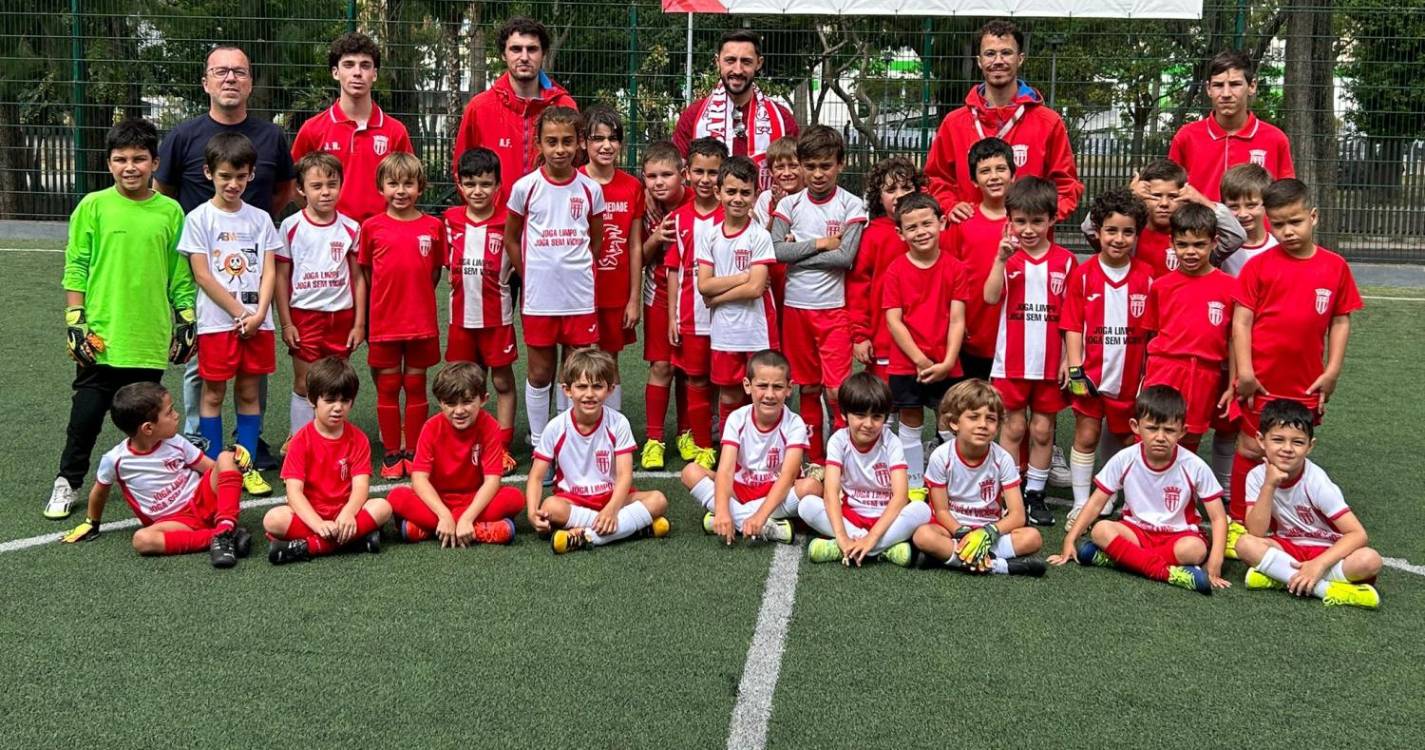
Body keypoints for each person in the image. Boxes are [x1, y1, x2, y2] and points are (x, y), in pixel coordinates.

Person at [45, 118, 195, 521]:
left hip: (147, 337)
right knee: (87, 416)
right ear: (108, 163)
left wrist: (185, 318)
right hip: (100, 336)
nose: (130, 167)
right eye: (121, 159)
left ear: (154, 163)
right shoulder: (92, 207)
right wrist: (76, 320)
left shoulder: (170, 211)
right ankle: (68, 480)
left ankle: (157, 480)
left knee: (147, 421)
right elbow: (76, 266)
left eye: (139, 159)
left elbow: (179, 274)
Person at [157, 44, 294, 468]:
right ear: (207, 82)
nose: (230, 78)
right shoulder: (183, 136)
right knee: (205, 372)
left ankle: (248, 451)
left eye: (239, 71)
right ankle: (202, 447)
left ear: (250, 81)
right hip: (207, 275)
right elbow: (165, 194)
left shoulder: (271, 135)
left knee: (253, 380)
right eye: (221, 71)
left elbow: (284, 191)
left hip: (255, 273)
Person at [1229, 178, 1362, 538]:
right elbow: (1241, 321)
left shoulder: (1335, 267)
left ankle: (1285, 521)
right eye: (1278, 224)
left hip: (1306, 382)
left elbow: (1340, 320)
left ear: (1313, 217)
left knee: (1290, 449)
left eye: (1295, 222)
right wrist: (1245, 372)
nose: (1287, 231)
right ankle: (1240, 523)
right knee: (1251, 447)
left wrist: (1332, 371)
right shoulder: (1258, 267)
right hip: (1262, 380)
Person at [1049, 385, 1229, 595]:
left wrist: (1215, 561)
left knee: (1196, 550)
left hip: (1177, 536)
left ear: (1182, 432)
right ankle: (1166, 572)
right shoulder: (1126, 458)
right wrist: (1070, 539)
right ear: (1136, 426)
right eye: (1152, 428)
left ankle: (1118, 559)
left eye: (1169, 430)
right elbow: (1096, 502)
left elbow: (1218, 518)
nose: (1160, 437)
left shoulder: (1194, 466)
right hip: (1136, 532)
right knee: (1101, 530)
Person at [177, 132, 280, 497]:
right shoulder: (198, 219)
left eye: (240, 176)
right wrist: (240, 313)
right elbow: (202, 274)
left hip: (257, 324)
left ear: (251, 175)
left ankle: (247, 464)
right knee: (214, 394)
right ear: (209, 173)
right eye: (225, 176)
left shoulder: (261, 219)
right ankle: (215, 469)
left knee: (249, 394)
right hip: (218, 324)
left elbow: (270, 270)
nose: (233, 183)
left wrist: (259, 313)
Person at [59, 383, 250, 568]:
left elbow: (211, 468)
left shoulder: (176, 442)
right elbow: (99, 492)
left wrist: (236, 464)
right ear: (148, 428)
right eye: (169, 412)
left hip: (203, 500)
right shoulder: (115, 459)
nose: (177, 415)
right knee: (142, 540)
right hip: (174, 522)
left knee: (227, 457)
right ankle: (219, 537)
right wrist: (91, 523)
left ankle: (225, 527)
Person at [505, 106, 605, 448]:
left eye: (567, 141)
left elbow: (596, 238)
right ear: (539, 144)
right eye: (551, 141)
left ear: (579, 143)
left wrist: (572, 267)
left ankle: (570, 442)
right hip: (539, 298)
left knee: (577, 373)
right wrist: (529, 273)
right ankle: (539, 443)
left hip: (578, 297)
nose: (559, 149)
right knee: (540, 373)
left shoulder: (590, 189)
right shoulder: (525, 188)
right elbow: (511, 237)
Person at [771, 126, 867, 465]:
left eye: (825, 165)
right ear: (799, 165)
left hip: (833, 312)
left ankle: (843, 459)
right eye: (809, 166)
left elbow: (846, 258)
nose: (817, 174)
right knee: (807, 388)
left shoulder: (851, 204)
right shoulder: (789, 203)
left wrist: (798, 249)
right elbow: (775, 250)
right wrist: (821, 243)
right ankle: (813, 461)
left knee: (836, 391)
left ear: (840, 164)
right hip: (796, 311)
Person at [983, 177, 1075, 527]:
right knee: (1013, 428)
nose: (1028, 229)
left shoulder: (1066, 262)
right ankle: (1010, 492)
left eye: (1037, 221)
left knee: (1042, 430)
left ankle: (1035, 493)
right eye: (1020, 221)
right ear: (1009, 221)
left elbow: (1071, 317)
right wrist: (998, 261)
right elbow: (991, 297)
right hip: (1012, 362)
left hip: (1050, 364)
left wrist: (1068, 357)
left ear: (1052, 220)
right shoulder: (1008, 257)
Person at [925, 19, 1082, 223]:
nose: (998, 61)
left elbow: (1066, 186)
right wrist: (949, 205)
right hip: (968, 244)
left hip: (1026, 246)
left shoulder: (1048, 122)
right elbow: (936, 179)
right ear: (979, 61)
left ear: (1020, 59)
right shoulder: (954, 123)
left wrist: (1042, 218)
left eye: (1006, 53)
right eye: (990, 54)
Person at [1060, 189, 1153, 527]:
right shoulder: (1083, 275)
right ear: (1097, 232)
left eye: (1128, 232)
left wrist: (1149, 375)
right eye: (1111, 230)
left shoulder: (1147, 277)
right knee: (1086, 435)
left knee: (1124, 437)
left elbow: (1153, 333)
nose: (1118, 238)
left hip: (1130, 378)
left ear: (1137, 235)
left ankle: (1110, 493)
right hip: (1091, 376)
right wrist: (1074, 369)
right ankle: (1082, 503)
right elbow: (1072, 325)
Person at [1234, 400, 1381, 608]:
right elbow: (1256, 532)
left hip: (1327, 552)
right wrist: (1269, 485)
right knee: (1245, 544)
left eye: (1298, 442)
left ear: (1310, 446)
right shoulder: (1256, 477)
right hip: (1289, 548)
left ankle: (1280, 577)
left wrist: (1318, 564)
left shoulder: (1317, 481)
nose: (1287, 449)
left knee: (1370, 560)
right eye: (1278, 439)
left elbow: (1358, 534)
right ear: (1261, 440)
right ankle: (1326, 590)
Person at [1142, 203, 1239, 514]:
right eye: (1182, 244)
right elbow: (1150, 335)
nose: (1191, 252)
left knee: (1189, 439)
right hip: (1164, 369)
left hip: (1204, 373)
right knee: (1153, 435)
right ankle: (1142, 501)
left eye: (1199, 244)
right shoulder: (1161, 286)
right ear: (1172, 244)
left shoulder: (1230, 288)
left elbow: (1235, 339)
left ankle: (1181, 504)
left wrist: (1233, 380)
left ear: (1214, 243)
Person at [526, 349, 671, 554]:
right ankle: (634, 528)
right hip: (573, 500)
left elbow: (624, 475)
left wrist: (611, 509)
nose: (589, 394)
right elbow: (536, 477)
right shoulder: (556, 427)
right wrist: (532, 513)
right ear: (567, 390)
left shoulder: (618, 423)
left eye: (597, 387)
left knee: (658, 500)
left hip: (613, 498)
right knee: (550, 507)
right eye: (581, 386)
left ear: (610, 389)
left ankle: (585, 536)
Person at [359, 152, 446, 480]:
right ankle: (393, 453)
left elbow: (434, 272)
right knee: (388, 385)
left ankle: (414, 452)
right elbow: (368, 273)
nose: (400, 190)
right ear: (381, 188)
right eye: (392, 183)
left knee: (416, 384)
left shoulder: (433, 227)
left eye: (408, 183)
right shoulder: (371, 227)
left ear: (420, 187)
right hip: (385, 322)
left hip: (421, 321)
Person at [881, 193, 969, 499]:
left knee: (949, 421)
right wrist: (919, 360)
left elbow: (958, 320)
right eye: (912, 227)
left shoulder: (956, 268)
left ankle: (950, 483)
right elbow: (894, 321)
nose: (921, 231)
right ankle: (915, 486)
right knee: (910, 419)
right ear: (900, 233)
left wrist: (947, 361)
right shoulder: (894, 270)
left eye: (927, 223)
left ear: (942, 223)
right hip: (908, 363)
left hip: (947, 362)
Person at [275, 152, 365, 451]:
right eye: (317, 185)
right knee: (305, 382)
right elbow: (281, 276)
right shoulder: (290, 226)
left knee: (336, 380)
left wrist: (359, 323)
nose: (325, 191)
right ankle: (300, 439)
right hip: (305, 315)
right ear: (301, 189)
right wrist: (286, 322)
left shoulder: (351, 228)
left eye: (332, 184)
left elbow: (358, 278)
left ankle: (332, 439)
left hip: (341, 316)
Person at [682, 350, 817, 545]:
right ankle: (769, 528)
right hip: (739, 490)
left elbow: (788, 476)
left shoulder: (794, 423)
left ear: (789, 388)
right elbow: (725, 470)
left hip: (776, 494)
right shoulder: (737, 418)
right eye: (762, 386)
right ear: (747, 385)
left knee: (812, 487)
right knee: (690, 471)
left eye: (777, 387)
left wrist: (760, 515)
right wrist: (722, 510)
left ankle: (737, 521)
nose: (769, 394)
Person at [912, 379, 1046, 576]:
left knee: (1033, 538)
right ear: (954, 422)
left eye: (990, 419)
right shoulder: (941, 456)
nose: (983, 425)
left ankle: (950, 559)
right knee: (923, 535)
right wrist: (963, 533)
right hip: (954, 530)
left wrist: (988, 533)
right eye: (973, 417)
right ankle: (1000, 566)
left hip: (989, 532)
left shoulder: (1003, 459)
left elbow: (1018, 515)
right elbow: (941, 511)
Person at [264, 357, 390, 564]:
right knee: (273, 519)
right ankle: (354, 542)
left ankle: (309, 547)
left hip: (345, 514)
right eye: (330, 400)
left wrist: (348, 514)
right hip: (311, 515)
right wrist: (318, 524)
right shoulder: (300, 441)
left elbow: (360, 488)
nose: (338, 407)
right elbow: (294, 493)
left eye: (345, 401)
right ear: (312, 400)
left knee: (383, 507)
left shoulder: (358, 439)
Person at [797, 373, 931, 567]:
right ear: (844, 414)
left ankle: (847, 549)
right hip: (851, 516)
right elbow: (831, 493)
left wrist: (872, 538)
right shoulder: (839, 440)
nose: (868, 424)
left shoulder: (891, 442)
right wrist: (843, 535)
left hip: (886, 518)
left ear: (885, 417)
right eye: (860, 415)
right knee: (806, 505)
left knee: (922, 510)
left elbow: (901, 497)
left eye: (876, 417)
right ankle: (882, 549)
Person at [387, 362, 523, 547]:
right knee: (397, 497)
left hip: (475, 500)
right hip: (437, 501)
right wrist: (443, 514)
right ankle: (479, 530)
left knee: (515, 498)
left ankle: (428, 529)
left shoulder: (490, 426)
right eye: (450, 403)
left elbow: (492, 481)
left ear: (483, 399)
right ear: (440, 402)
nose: (459, 411)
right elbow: (419, 479)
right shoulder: (431, 427)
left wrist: (467, 517)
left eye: (467, 402)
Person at [445, 147, 518, 467]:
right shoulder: (449, 221)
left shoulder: (509, 223)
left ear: (498, 186)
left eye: (486, 184)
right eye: (471, 183)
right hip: (460, 320)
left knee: (502, 382)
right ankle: (462, 444)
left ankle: (500, 446)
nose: (478, 191)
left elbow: (521, 265)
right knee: (461, 384)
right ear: (460, 185)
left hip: (497, 319)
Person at [291, 32, 412, 223]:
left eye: (365, 65)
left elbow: (409, 184)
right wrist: (323, 219)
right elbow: (294, 185)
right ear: (335, 72)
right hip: (330, 238)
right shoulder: (312, 129)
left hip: (379, 236)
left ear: (375, 74)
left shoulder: (395, 131)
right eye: (349, 65)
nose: (357, 72)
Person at [453, 17, 577, 200]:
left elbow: (580, 164)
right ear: (503, 54)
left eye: (532, 49)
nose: (524, 57)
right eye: (516, 49)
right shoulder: (479, 108)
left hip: (551, 224)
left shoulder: (564, 105)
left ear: (543, 54)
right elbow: (460, 168)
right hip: (496, 223)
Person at [696, 156, 779, 428]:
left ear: (756, 195)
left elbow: (756, 289)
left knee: (762, 392)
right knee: (729, 392)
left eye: (745, 192)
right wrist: (743, 276)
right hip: (725, 332)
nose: (738, 199)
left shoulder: (759, 236)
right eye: (731, 191)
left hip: (758, 332)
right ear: (718, 192)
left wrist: (716, 298)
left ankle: (762, 448)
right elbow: (703, 285)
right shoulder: (709, 235)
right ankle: (731, 448)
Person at [665, 137, 727, 468]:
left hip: (728, 316)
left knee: (730, 382)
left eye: (713, 172)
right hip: (691, 315)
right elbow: (674, 268)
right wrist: (673, 317)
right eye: (699, 171)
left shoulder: (732, 215)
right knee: (697, 380)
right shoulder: (679, 219)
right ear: (687, 173)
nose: (705, 179)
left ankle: (731, 442)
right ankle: (704, 445)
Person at [674, 30, 799, 190]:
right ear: (717, 62)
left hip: (764, 212)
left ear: (759, 63)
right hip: (708, 212)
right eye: (730, 60)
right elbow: (676, 171)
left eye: (746, 62)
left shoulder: (781, 119)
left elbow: (799, 173)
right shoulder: (694, 115)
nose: (738, 70)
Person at [581, 106, 645, 411]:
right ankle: (568, 430)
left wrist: (633, 298)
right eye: (598, 138)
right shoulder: (574, 181)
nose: (607, 145)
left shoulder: (632, 187)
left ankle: (612, 430)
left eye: (614, 138)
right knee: (575, 359)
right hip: (578, 292)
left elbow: (635, 246)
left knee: (609, 359)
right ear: (584, 143)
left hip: (615, 292)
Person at [1168, 50, 1295, 202]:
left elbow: (1286, 200)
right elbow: (1169, 191)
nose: (1226, 93)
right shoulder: (1187, 137)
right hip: (1202, 226)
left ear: (1252, 86)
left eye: (1235, 84)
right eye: (1218, 85)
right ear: (1208, 89)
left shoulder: (1275, 139)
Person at [846, 156, 925, 383]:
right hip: (883, 341)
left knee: (917, 406)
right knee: (883, 402)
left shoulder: (931, 232)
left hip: (925, 339)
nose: (900, 195)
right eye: (891, 189)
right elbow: (858, 288)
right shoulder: (872, 236)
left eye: (906, 187)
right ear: (878, 197)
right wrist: (860, 335)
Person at [638, 142, 692, 469]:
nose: (659, 182)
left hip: (694, 292)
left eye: (666, 175)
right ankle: (654, 439)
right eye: (651, 176)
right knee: (661, 366)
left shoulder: (697, 198)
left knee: (688, 367)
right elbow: (640, 257)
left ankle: (686, 433)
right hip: (657, 290)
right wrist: (657, 237)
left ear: (681, 174)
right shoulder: (644, 206)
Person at [950, 137, 1015, 380]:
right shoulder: (963, 221)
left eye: (1001, 169)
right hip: (971, 333)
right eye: (985, 171)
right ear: (974, 181)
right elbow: (950, 275)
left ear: (1013, 174)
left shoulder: (1025, 224)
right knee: (970, 406)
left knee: (1009, 411)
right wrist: (955, 319)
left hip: (1013, 334)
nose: (994, 176)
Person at [752, 136, 800, 308]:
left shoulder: (809, 196)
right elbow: (761, 237)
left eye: (793, 166)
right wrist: (777, 210)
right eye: (780, 167)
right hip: (773, 270)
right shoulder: (766, 198)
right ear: (771, 172)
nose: (787, 173)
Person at [1217, 163, 1278, 277]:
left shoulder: (1277, 247)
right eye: (1234, 207)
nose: (1243, 214)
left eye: (1251, 206)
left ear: (1268, 204)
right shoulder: (1219, 248)